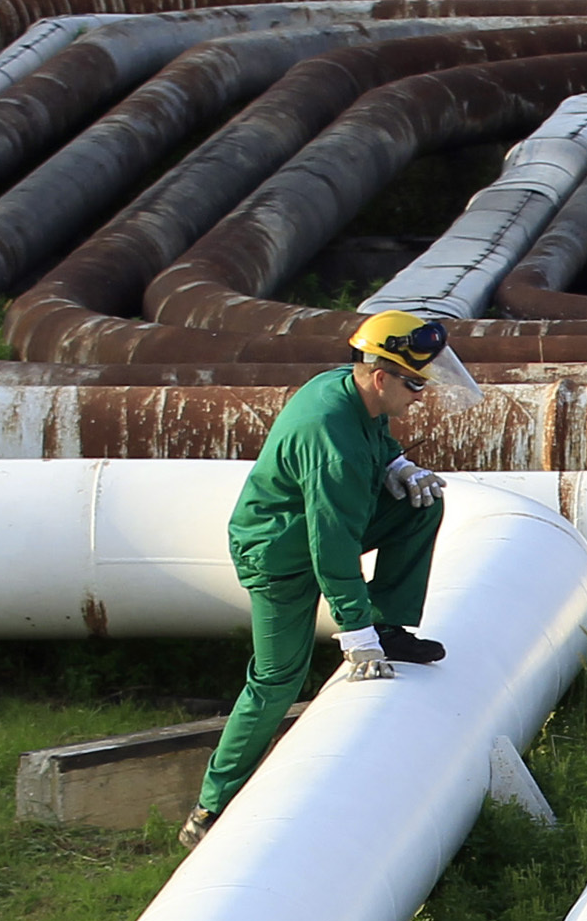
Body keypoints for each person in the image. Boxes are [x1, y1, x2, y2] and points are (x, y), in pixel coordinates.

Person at [181, 309, 460, 848]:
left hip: (312, 531)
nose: (421, 394)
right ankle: (210, 808)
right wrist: (354, 635)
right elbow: (330, 549)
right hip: (277, 553)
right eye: (414, 382)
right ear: (381, 376)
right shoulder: (332, 441)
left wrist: (396, 461)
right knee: (276, 679)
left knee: (420, 506)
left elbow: (373, 434)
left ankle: (392, 626)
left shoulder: (349, 388)